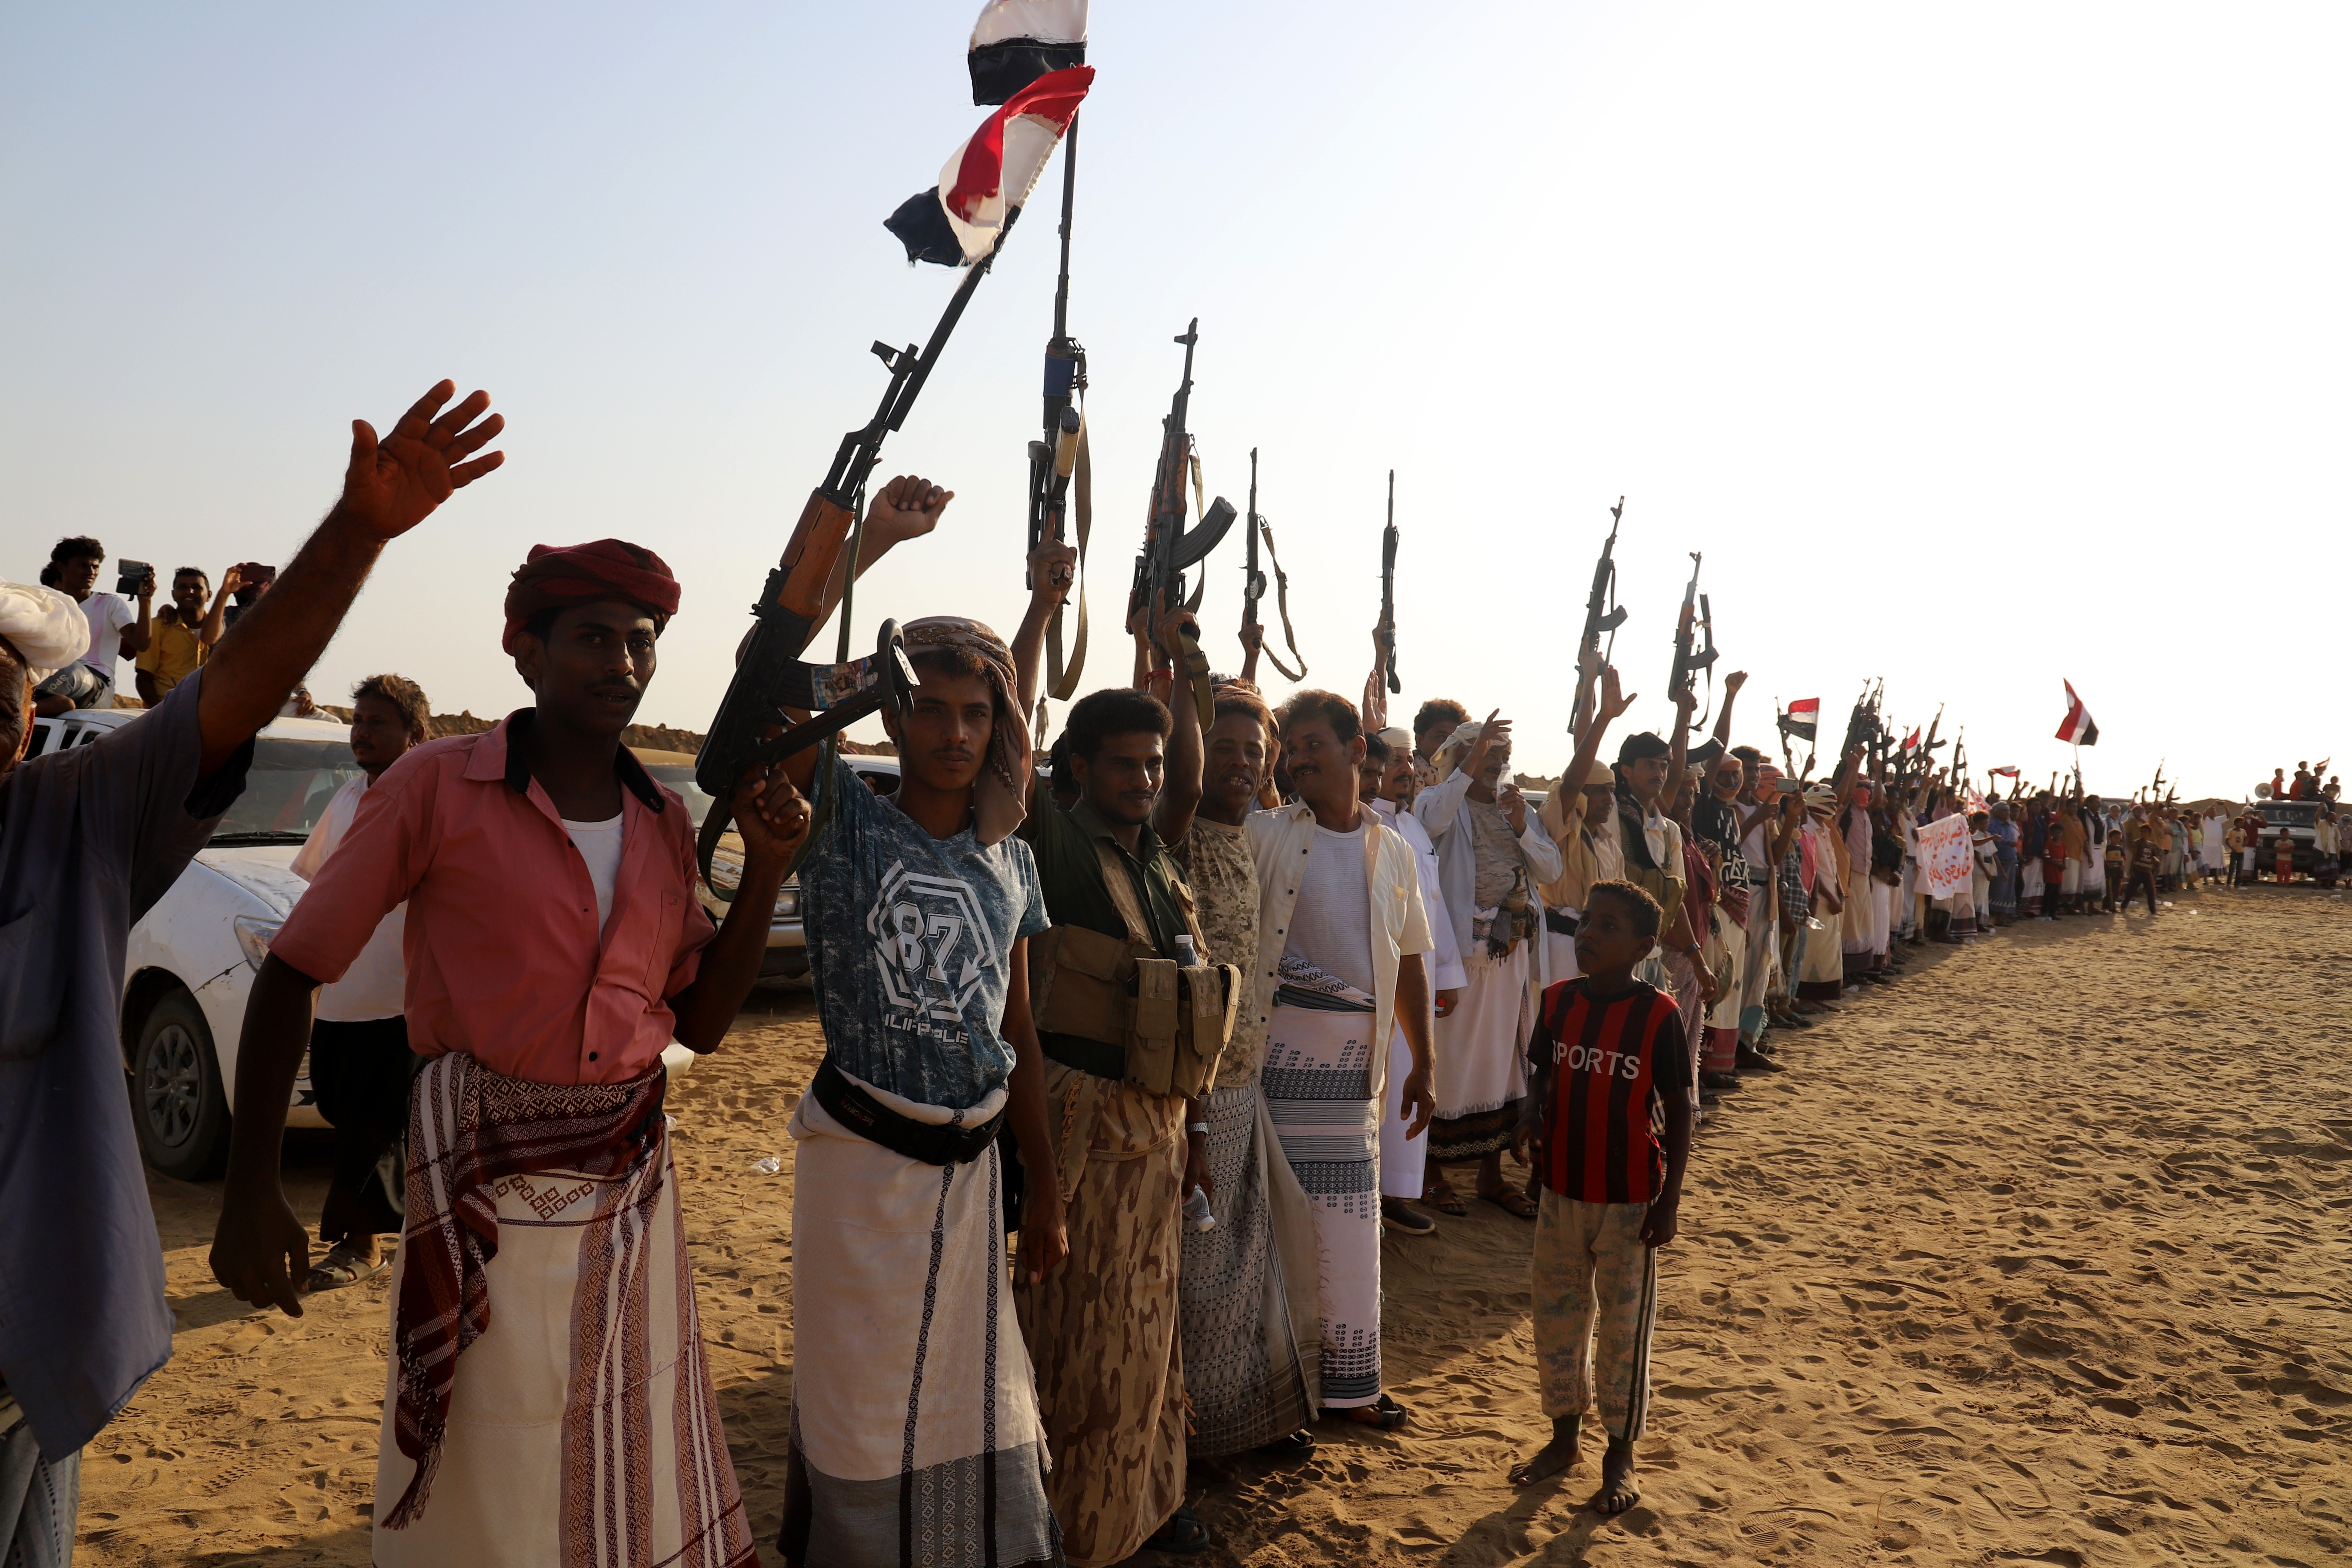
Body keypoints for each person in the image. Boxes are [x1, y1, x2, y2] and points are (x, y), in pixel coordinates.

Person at [210, 510, 853, 1563]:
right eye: (595, 636)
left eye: (642, 640)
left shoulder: (660, 819)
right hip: (481, 1186)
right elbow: (294, 970)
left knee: (619, 1437)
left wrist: (772, 874)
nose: (624, 662)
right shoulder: (437, 786)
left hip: (630, 1192)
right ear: (527, 648)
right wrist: (250, 1189)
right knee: (492, 1460)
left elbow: (702, 1024)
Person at [0, 380, 499, 1567]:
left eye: (7, 690)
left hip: (31, 1329)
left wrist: (357, 533)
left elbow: (222, 705)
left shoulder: (64, 820)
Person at [777, 608, 1071, 1568]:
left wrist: (1048, 1185)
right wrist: (877, 653)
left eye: (976, 713)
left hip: (973, 1178)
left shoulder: (1012, 860)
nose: (954, 734)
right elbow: (770, 690)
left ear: (1001, 727)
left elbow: (1015, 1030)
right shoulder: (840, 819)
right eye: (931, 710)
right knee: (858, 1401)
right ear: (894, 719)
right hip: (860, 1170)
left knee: (971, 1403)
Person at [1015, 669, 1227, 1563]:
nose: (1143, 779)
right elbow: (1014, 755)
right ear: (1078, 766)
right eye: (1122, 765)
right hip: (1087, 1127)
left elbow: (1187, 781)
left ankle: (1147, 1506)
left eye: (1151, 763)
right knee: (1084, 1340)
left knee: (1150, 1337)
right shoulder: (1060, 848)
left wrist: (1184, 683)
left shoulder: (1162, 860)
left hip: (1161, 1125)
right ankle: (1076, 1529)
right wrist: (1042, 610)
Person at [1253, 689, 1436, 1427]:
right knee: (1273, 1234)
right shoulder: (1264, 833)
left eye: (1310, 746)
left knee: (1352, 1231)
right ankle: (1276, 1394)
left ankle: (1351, 1389)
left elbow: (1412, 959)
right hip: (1271, 1068)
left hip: (1356, 1074)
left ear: (1358, 752)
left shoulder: (1392, 847)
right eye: (1288, 748)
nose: (1297, 759)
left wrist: (1425, 1060)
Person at [1505, 879, 1692, 1515]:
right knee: (1556, 1316)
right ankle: (1563, 1438)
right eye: (1587, 921)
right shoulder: (1558, 1001)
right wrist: (1531, 1114)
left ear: (1642, 947)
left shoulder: (1659, 1015)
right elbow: (1543, 1072)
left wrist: (1669, 1202)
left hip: (1631, 1202)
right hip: (1560, 1191)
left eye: (1608, 927)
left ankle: (1619, 1451)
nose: (1588, 934)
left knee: (1622, 1328)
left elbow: (1682, 1108)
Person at [293, 673, 432, 1292]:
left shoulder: (428, 802)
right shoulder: (348, 799)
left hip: (402, 997)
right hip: (342, 994)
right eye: (358, 722)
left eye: (378, 724)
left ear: (415, 734)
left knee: (377, 1126)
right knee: (342, 1109)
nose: (362, 734)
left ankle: (362, 1244)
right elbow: (319, 883)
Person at [1416, 710, 1562, 1217]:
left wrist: (1523, 825)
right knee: (1451, 1061)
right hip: (1460, 956)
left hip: (1510, 957)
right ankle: (1430, 1172)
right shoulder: (1441, 802)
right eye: (1484, 754)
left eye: (1502, 756)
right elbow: (1430, 819)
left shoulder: (1514, 806)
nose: (1494, 764)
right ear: (1460, 757)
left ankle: (1490, 1176)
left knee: (1504, 1062)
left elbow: (1550, 867)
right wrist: (1468, 763)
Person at [1362, 727, 1463, 1237]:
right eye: (1395, 759)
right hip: (1376, 978)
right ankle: (1374, 1194)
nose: (1405, 769)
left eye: (1409, 760)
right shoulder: (1361, 822)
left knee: (1411, 1082)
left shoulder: (1414, 829)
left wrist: (1445, 974)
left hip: (1415, 973)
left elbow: (1432, 907)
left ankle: (1397, 1192)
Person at [30, 536, 150, 715]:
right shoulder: (47, 605)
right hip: (52, 679)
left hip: (97, 685)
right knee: (62, 703)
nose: (91, 572)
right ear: (61, 567)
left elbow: (141, 644)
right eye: (83, 565)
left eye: (95, 567)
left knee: (70, 671)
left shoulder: (110, 604)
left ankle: (17, 710)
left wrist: (145, 601)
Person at [132, 566, 237, 704]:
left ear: (209, 595)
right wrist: (160, 713)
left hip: (209, 712)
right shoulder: (158, 626)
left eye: (197, 587)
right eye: (183, 587)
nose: (190, 592)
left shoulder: (221, 628)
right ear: (173, 594)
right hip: (166, 709)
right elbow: (144, 678)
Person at [1411, 698, 1470, 791]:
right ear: (1420, 741)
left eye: (1456, 739)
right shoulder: (1403, 777)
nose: (1450, 745)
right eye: (1441, 737)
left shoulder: (1466, 782)